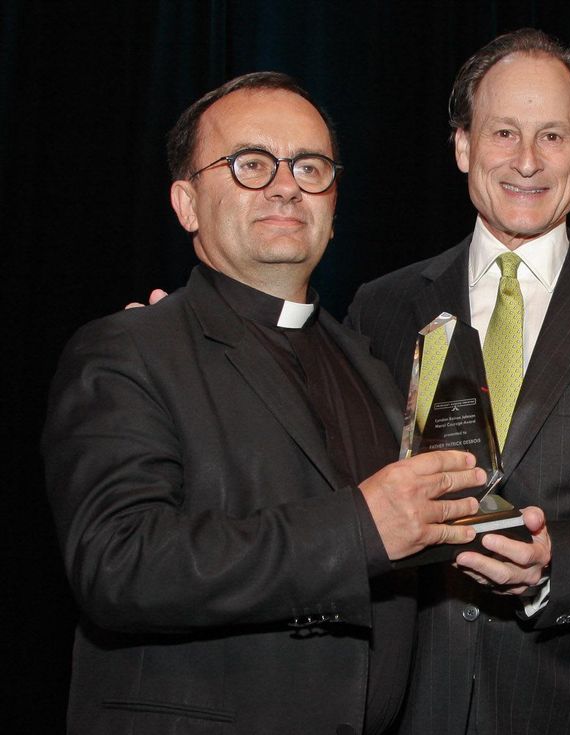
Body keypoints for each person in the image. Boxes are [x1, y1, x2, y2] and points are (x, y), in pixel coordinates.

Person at [41, 72, 488, 735]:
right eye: (251, 163)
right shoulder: (127, 348)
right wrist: (359, 527)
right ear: (187, 203)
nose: (285, 184)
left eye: (311, 167)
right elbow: (118, 562)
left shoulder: (370, 363)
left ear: (334, 209)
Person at [346, 29, 570, 735]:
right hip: (412, 693)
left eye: (552, 136)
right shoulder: (382, 306)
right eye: (504, 131)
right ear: (462, 145)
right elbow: (320, 452)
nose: (525, 161)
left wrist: (554, 564)